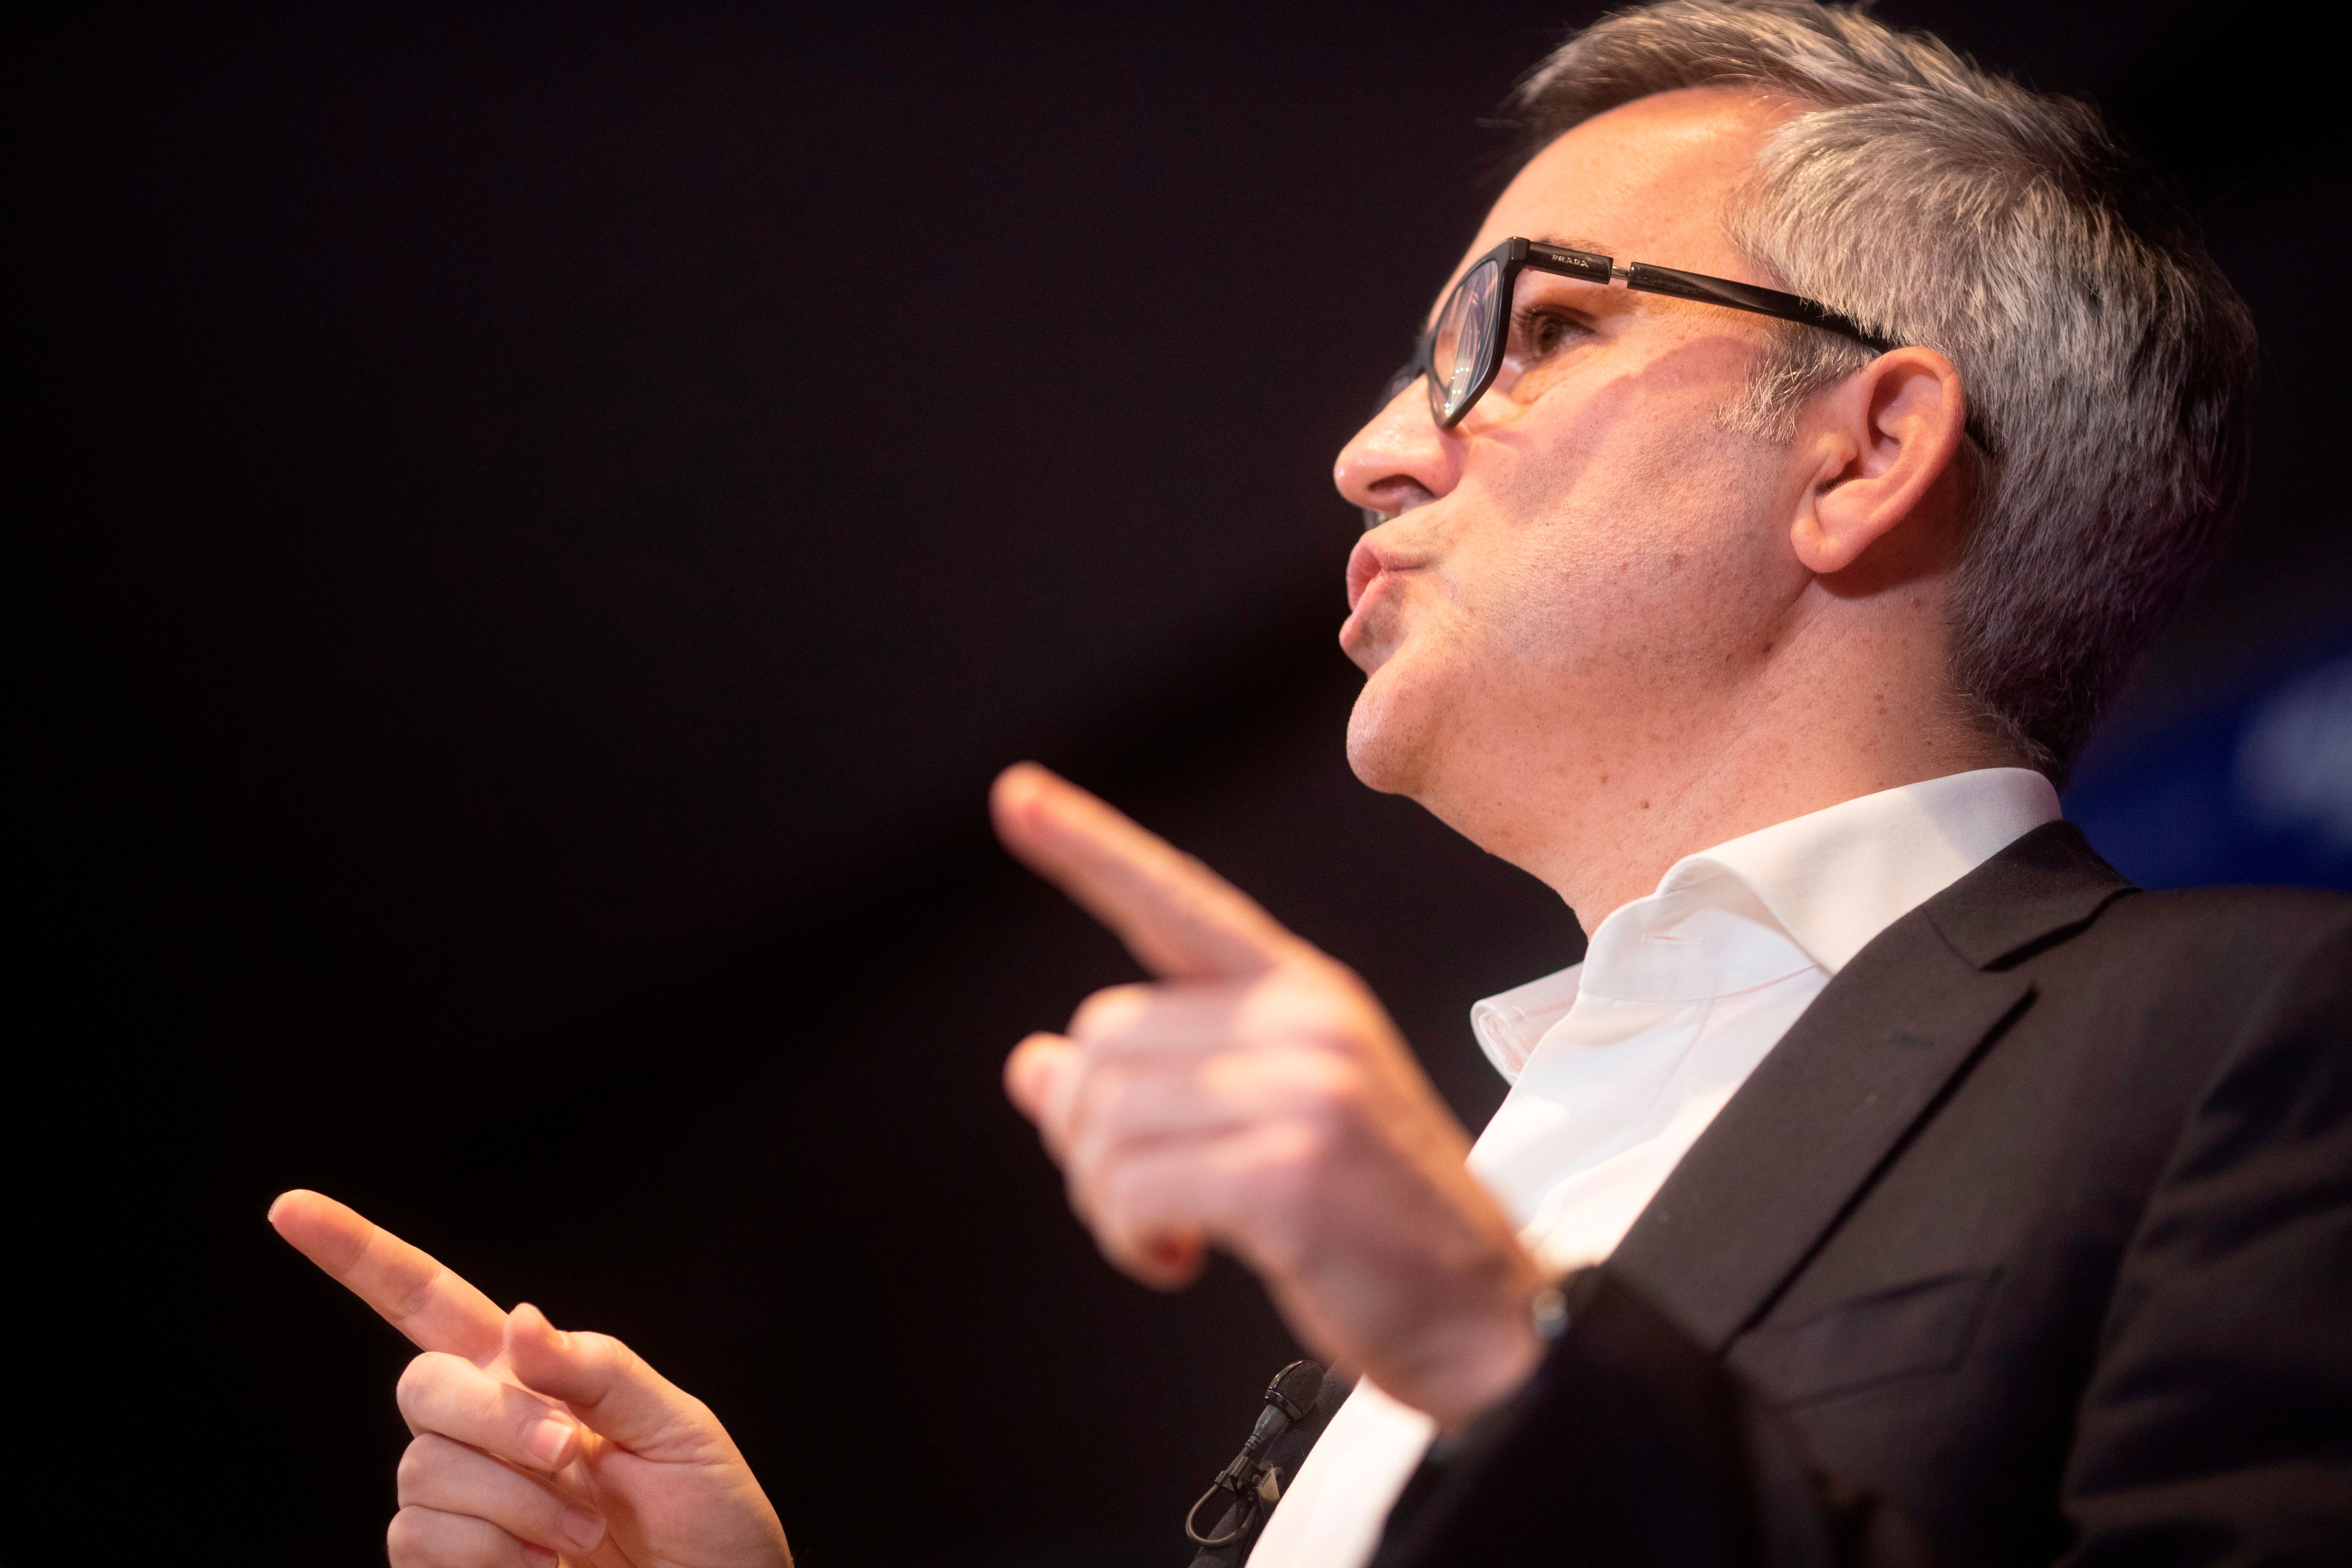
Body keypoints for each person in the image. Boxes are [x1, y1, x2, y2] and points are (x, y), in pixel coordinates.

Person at [272, 2, 2352, 1564]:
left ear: (1865, 451)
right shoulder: (1502, 1158)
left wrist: (1500, 1361)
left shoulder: (2263, 1039)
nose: (1374, 451)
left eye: (1535, 332)